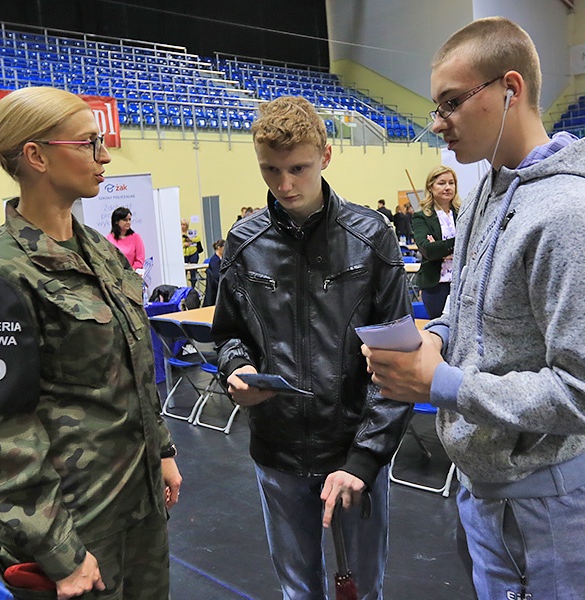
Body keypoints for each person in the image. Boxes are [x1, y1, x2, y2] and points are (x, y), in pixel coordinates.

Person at [363, 17, 585, 599]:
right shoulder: (489, 187)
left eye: (452, 102)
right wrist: (434, 337)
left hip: (558, 504)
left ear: (510, 89)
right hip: (492, 493)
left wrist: (445, 384)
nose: (439, 123)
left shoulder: (570, 217)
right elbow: (469, 309)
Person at [0, 86, 181, 600]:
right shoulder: (1, 274)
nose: (104, 157)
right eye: (87, 144)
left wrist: (162, 450)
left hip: (137, 506)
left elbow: (134, 365)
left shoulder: (99, 251)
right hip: (76, 527)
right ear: (36, 155)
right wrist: (61, 552)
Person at [212, 95, 412, 599]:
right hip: (276, 452)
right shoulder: (242, 242)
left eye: (297, 168)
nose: (284, 185)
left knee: (363, 591)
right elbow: (228, 334)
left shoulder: (371, 238)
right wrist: (236, 370)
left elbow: (399, 359)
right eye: (271, 170)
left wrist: (364, 460)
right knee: (298, 591)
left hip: (353, 449)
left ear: (325, 155)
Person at [411, 166, 460, 319]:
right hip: (436, 286)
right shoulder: (421, 217)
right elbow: (429, 251)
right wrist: (459, 242)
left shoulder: (464, 213)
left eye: (451, 183)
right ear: (430, 187)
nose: (447, 187)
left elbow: (475, 244)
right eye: (442, 183)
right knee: (441, 331)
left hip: (462, 284)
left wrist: (442, 247)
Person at [106, 206, 146, 270]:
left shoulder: (136, 237)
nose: (128, 222)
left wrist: (131, 271)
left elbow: (140, 260)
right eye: (125, 220)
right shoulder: (108, 239)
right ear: (116, 221)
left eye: (129, 219)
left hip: (131, 275)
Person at [202, 238, 224, 308]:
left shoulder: (221, 259)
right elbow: (217, 277)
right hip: (216, 289)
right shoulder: (214, 261)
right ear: (219, 248)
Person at [181, 217, 201, 286]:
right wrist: (184, 244)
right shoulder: (178, 233)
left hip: (193, 253)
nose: (183, 226)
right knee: (184, 272)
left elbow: (198, 238)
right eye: (181, 224)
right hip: (184, 254)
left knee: (193, 272)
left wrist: (191, 240)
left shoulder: (190, 232)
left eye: (184, 225)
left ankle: (193, 286)